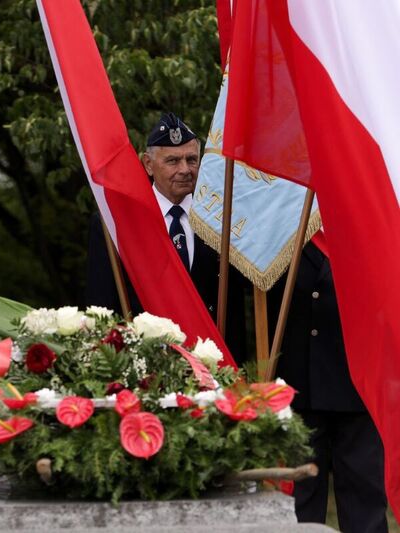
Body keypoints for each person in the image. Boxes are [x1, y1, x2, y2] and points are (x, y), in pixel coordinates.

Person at [86, 112, 247, 361]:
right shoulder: (118, 223)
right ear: (148, 164)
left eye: (192, 159)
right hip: (145, 367)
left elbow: (236, 306)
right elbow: (102, 307)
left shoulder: (220, 218)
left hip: (214, 366)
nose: (185, 170)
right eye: (172, 161)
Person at [269, 241, 387, 532]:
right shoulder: (284, 213)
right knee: (300, 503)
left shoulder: (361, 215)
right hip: (297, 386)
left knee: (365, 499)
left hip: (358, 387)